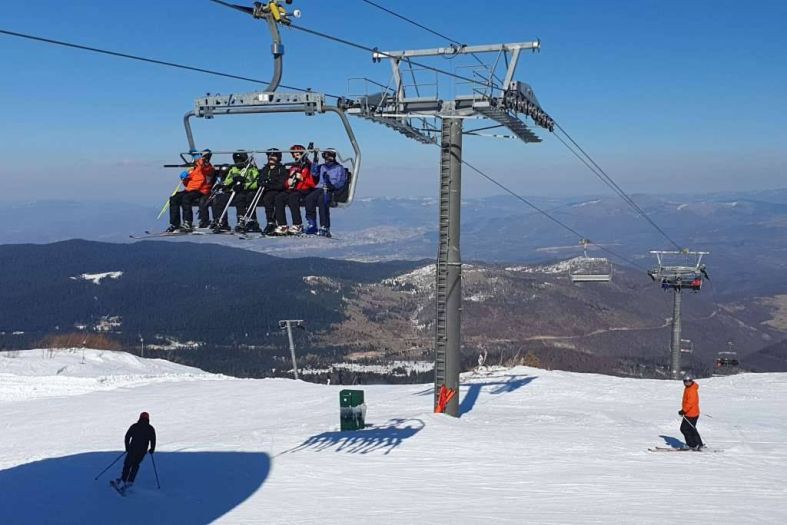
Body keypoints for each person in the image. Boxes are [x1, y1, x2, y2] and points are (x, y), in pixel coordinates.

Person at [273, 144, 318, 235]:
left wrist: (302, 179)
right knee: (279, 197)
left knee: (293, 198)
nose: (295, 155)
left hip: (305, 189)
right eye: (294, 154)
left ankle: (297, 224)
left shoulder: (309, 166)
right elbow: (288, 180)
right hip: (294, 189)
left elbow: (313, 183)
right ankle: (282, 225)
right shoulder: (294, 166)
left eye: (297, 153)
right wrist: (287, 183)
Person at [167, 148, 214, 232]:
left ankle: (188, 222)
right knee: (174, 198)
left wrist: (202, 161)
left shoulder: (208, 168)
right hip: (190, 190)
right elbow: (188, 184)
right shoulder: (194, 169)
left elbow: (206, 169)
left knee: (186, 198)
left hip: (201, 191)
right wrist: (184, 178)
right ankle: (175, 223)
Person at [211, 151, 259, 233]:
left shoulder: (251, 169)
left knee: (240, 198)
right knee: (220, 198)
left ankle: (241, 221)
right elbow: (227, 181)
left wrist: (244, 184)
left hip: (244, 191)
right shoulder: (233, 169)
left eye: (240, 159)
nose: (238, 162)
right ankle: (222, 221)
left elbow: (254, 183)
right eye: (236, 160)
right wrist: (230, 182)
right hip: (232, 190)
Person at [305, 148, 348, 238]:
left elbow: (341, 181)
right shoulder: (322, 167)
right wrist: (315, 160)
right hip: (321, 188)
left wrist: (332, 185)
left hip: (330, 190)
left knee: (322, 201)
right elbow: (314, 173)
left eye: (330, 156)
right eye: (326, 156)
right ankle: (312, 223)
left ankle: (325, 227)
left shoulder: (339, 168)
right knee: (309, 199)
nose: (328, 158)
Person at [115, 411, 156, 491]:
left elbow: (127, 436)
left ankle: (123, 480)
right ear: (148, 419)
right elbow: (153, 440)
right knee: (136, 464)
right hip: (142, 451)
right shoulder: (150, 428)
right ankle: (130, 481)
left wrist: (127, 447)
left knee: (127, 464)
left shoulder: (135, 426)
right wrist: (152, 449)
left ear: (140, 417)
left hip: (132, 449)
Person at [258, 148, 289, 235]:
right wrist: (262, 182)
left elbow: (281, 184)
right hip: (267, 191)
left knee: (272, 198)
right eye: (269, 155)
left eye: (274, 156)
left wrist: (269, 184)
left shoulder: (281, 169)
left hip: (277, 191)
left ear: (278, 157)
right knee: (265, 199)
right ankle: (269, 222)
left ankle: (277, 223)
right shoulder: (265, 169)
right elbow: (260, 180)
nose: (271, 157)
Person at [679, 373, 704, 450]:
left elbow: (690, 402)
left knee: (684, 429)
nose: (687, 382)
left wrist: (683, 410)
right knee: (691, 429)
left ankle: (692, 444)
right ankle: (698, 444)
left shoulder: (692, 390)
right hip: (690, 413)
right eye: (685, 381)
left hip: (691, 414)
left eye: (689, 381)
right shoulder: (688, 388)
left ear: (691, 381)